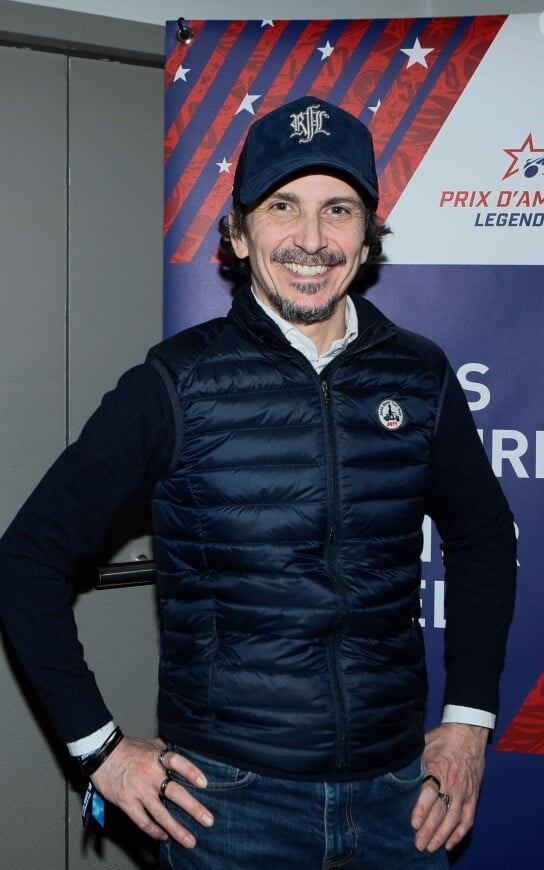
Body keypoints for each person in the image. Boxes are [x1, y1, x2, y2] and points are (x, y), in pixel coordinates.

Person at [0, 96, 516, 868]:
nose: (311, 239)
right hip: (229, 806)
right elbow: (27, 559)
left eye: (338, 209)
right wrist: (99, 750)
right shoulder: (174, 383)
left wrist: (470, 720)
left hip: (399, 800)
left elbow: (481, 538)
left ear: (369, 236)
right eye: (283, 207)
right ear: (238, 234)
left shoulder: (420, 373)